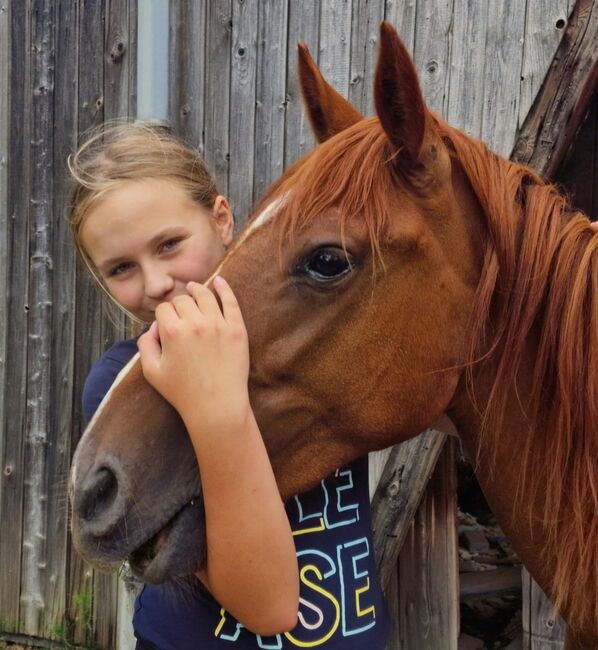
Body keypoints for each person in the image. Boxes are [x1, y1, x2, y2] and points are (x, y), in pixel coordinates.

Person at [68, 121, 389, 649]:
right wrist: (214, 404)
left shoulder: (310, 340)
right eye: (122, 268)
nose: (155, 284)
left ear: (221, 219)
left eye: (170, 244)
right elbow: (269, 607)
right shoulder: (128, 388)